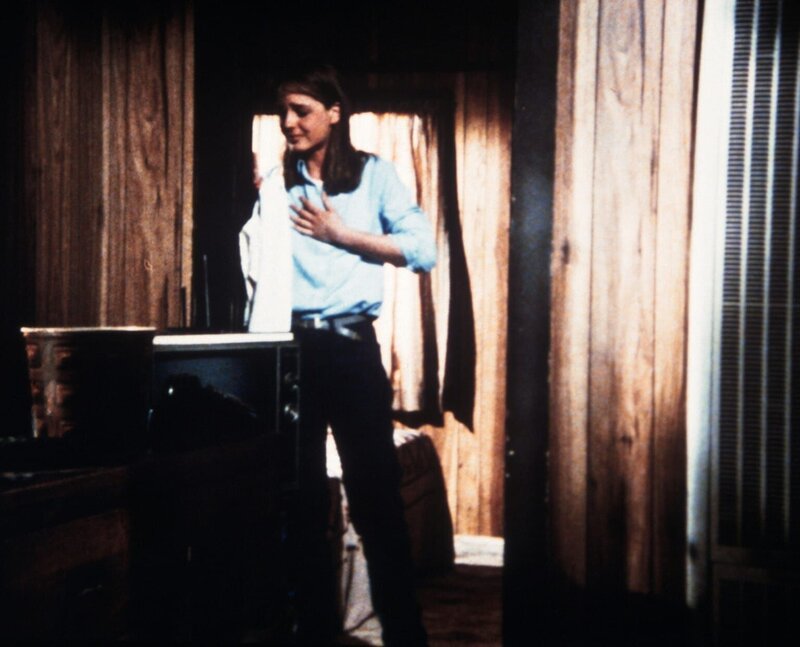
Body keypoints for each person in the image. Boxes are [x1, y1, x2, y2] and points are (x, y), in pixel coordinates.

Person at [241, 63, 435, 646]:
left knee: (376, 500)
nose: (289, 122)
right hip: (292, 354)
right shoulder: (277, 184)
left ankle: (406, 637)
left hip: (351, 352)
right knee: (298, 504)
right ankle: (315, 634)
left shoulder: (375, 176)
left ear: (334, 112)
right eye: (283, 112)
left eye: (301, 110)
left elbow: (423, 250)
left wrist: (341, 235)